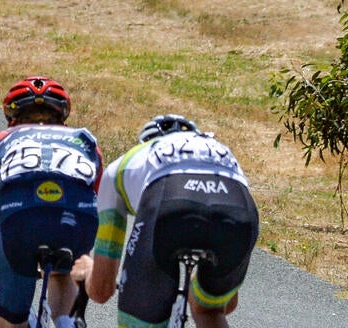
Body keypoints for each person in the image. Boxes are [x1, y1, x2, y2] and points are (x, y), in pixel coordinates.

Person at [0, 77, 99, 328]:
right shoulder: (87, 142)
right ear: (63, 117)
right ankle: (66, 323)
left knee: (4, 319)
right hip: (78, 223)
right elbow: (95, 202)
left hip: (20, 222)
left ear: (12, 118)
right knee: (63, 270)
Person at [88, 115, 258, 328]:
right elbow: (229, 303)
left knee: (138, 322)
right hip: (238, 210)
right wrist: (205, 293)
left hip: (169, 206)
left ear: (146, 142)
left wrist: (85, 270)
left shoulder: (124, 164)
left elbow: (101, 289)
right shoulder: (221, 151)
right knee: (210, 309)